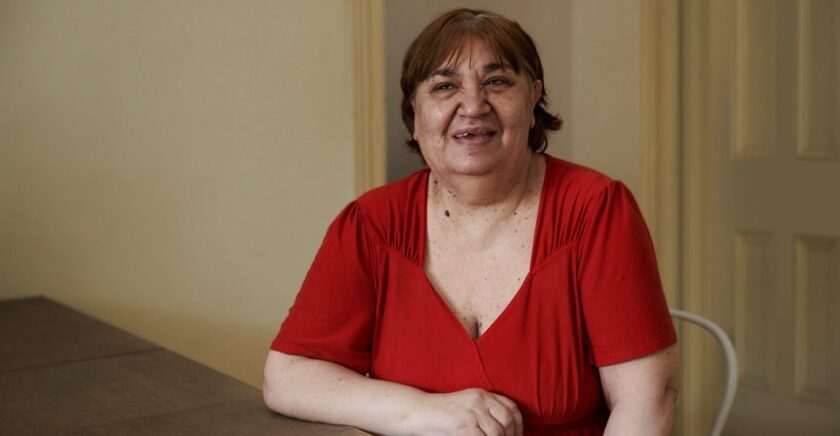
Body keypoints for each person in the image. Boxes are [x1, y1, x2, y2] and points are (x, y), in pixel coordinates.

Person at [263, 8, 678, 436]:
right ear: (415, 112)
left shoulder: (597, 211)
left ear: (533, 97)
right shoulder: (371, 223)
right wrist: (421, 411)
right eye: (445, 87)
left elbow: (648, 400)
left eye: (496, 82)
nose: (473, 106)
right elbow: (288, 376)